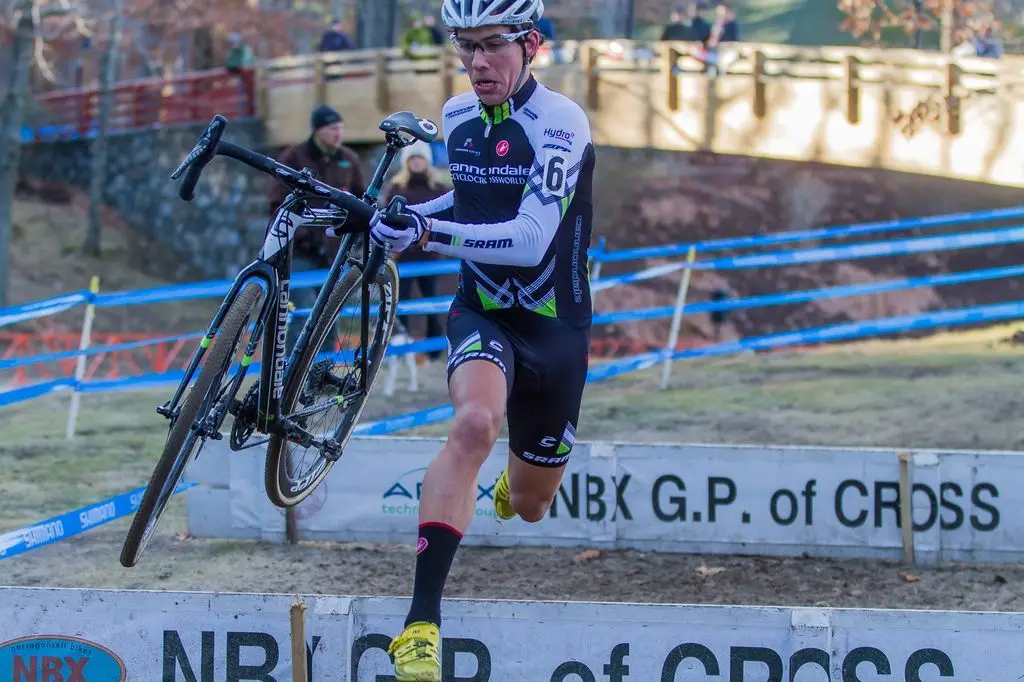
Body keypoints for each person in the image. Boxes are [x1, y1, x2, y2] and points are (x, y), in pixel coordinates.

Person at [369, 0, 596, 679]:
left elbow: (529, 240)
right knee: (471, 423)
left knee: (530, 507)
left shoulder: (561, 121)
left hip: (556, 328)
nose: (476, 63)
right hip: (483, 311)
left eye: (491, 46)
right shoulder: (460, 115)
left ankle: (512, 483)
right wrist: (409, 215)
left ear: (531, 46)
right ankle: (420, 625)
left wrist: (429, 234)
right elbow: (466, 205)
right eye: (465, 46)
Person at [268, 104, 365, 351]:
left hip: (334, 251)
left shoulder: (349, 159)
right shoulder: (294, 158)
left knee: (329, 314)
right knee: (304, 311)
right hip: (299, 252)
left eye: (341, 128)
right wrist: (302, 236)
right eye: (332, 128)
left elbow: (362, 201)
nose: (338, 134)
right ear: (318, 130)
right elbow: (277, 202)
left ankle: (319, 374)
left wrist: (359, 234)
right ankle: (289, 373)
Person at [380, 141, 451, 360]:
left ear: (427, 161)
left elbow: (449, 216)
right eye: (413, 158)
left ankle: (434, 349)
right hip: (403, 255)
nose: (417, 162)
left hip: (429, 253)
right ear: (407, 162)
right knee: (400, 301)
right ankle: (400, 345)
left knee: (431, 299)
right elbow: (389, 217)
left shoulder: (439, 189)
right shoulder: (396, 188)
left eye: (420, 158)